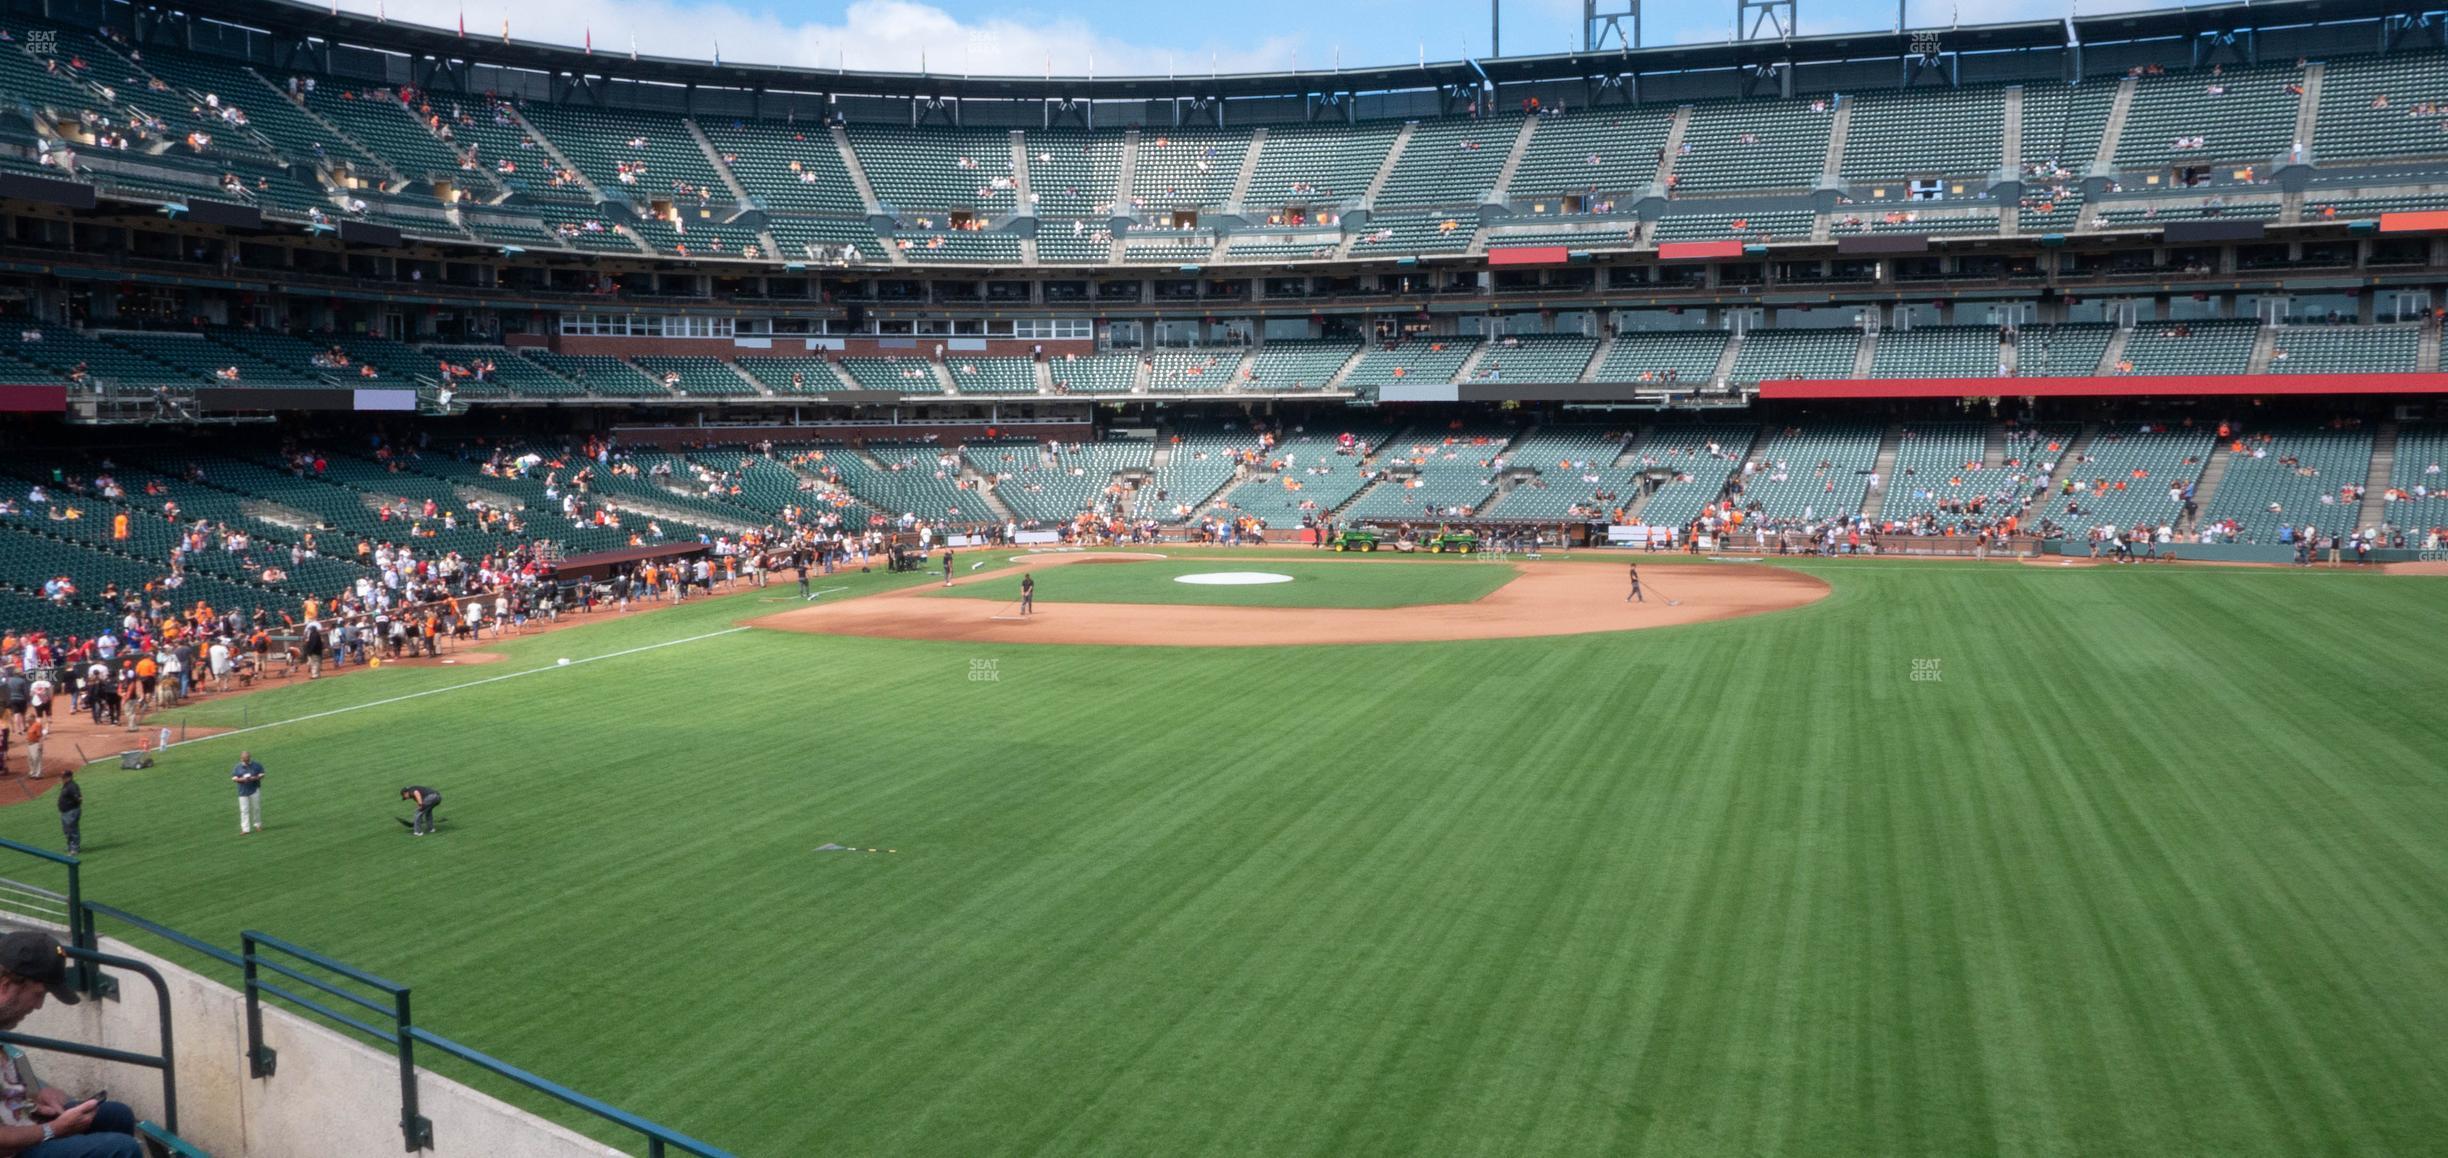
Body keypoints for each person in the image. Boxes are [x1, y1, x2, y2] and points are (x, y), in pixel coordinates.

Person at [0, 930, 143, 1157]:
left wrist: (34, 1095)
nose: (38, 1006)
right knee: (121, 1149)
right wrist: (53, 1130)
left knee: (116, 1115)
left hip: (19, 1129)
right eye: (39, 994)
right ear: (5, 986)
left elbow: (8, 1071)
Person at [232, 751, 265, 835]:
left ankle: (257, 825)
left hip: (254, 789)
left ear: (249, 758)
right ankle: (245, 829)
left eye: (247, 760)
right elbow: (234, 778)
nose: (245, 761)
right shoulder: (237, 767)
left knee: (256, 808)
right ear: (241, 758)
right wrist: (242, 780)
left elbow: (262, 775)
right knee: (244, 810)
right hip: (242, 792)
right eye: (244, 760)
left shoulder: (256, 765)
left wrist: (255, 778)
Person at [56, 770, 80, 856]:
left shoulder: (72, 786)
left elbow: (79, 798)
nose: (62, 778)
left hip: (71, 812)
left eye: (64, 777)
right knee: (66, 830)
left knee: (72, 830)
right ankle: (70, 846)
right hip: (65, 812)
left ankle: (74, 849)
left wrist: (71, 806)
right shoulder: (66, 785)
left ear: (69, 777)